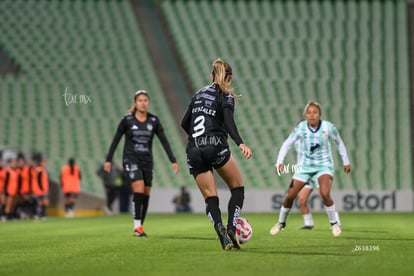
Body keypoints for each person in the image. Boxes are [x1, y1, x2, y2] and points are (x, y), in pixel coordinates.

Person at [181, 58, 252, 250]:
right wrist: (240, 143)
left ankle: (219, 229)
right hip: (216, 145)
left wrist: (198, 140)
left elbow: (184, 123)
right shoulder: (226, 95)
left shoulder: (198, 94)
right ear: (229, 78)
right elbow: (229, 121)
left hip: (194, 149)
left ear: (211, 75)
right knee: (237, 188)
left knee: (210, 197)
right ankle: (231, 228)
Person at [104, 90, 179, 237]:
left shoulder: (154, 121)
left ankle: (140, 226)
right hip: (131, 159)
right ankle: (137, 226)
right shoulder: (127, 120)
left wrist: (173, 160)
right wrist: (108, 159)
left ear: (148, 103)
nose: (143, 103)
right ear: (135, 103)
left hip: (147, 161)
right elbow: (116, 139)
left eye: (145, 100)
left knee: (145, 194)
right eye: (140, 100)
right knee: (138, 187)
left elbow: (164, 140)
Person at [270, 101, 350, 237]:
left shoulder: (328, 127)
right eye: (309, 113)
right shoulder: (301, 128)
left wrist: (346, 161)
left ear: (320, 115)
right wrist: (279, 161)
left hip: (324, 166)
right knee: (290, 196)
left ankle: (334, 223)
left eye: (315, 112)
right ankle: (281, 222)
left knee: (324, 193)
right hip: (305, 167)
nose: (312, 115)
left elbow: (339, 142)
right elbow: (286, 144)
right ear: (305, 115)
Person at [31, 153, 49, 220]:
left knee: (43, 203)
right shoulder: (39, 170)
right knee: (41, 203)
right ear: (40, 162)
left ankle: (41, 215)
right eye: (44, 162)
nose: (45, 163)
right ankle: (39, 215)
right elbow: (39, 180)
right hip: (40, 190)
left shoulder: (41, 169)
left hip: (41, 189)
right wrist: (42, 189)